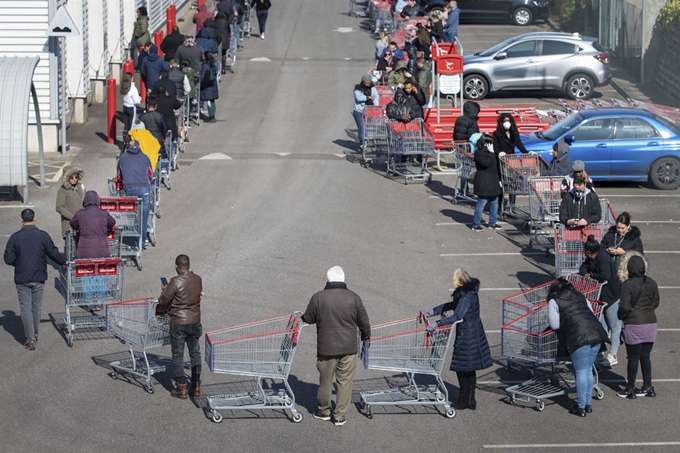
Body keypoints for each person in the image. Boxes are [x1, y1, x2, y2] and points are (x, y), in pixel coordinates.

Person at [301, 266, 371, 426]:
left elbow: (309, 318)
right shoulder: (354, 298)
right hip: (349, 348)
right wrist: (367, 335)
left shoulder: (318, 297)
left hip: (326, 348)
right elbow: (364, 322)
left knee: (325, 381)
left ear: (327, 280)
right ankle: (340, 416)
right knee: (345, 382)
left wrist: (303, 317)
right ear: (344, 279)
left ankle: (323, 411)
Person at [425, 269, 492, 410]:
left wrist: (436, 324)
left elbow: (457, 316)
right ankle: (470, 399)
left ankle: (463, 398)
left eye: (454, 278)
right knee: (469, 367)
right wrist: (435, 310)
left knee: (462, 367)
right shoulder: (468, 293)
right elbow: (453, 304)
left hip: (467, 335)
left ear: (459, 281)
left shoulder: (466, 297)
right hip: (474, 332)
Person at [4, 209, 67, 350]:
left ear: (21, 220)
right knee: (36, 307)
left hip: (22, 277)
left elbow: (8, 259)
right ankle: (35, 334)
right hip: (39, 276)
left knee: (25, 308)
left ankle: (30, 338)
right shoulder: (42, 236)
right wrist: (64, 261)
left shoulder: (14, 237)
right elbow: (53, 253)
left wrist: (19, 263)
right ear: (35, 218)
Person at [547, 278, 609, 416]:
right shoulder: (580, 295)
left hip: (579, 336)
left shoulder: (554, 301)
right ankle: (587, 404)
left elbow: (555, 325)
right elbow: (591, 311)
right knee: (587, 370)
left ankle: (580, 407)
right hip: (596, 333)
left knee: (581, 371)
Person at [159, 254, 203, 399]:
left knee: (178, 354)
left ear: (176, 267)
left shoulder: (175, 281)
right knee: (195, 352)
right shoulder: (198, 279)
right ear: (189, 266)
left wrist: (164, 291)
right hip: (195, 320)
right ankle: (196, 384)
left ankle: (181, 387)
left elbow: (164, 301)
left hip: (178, 322)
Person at [617, 251, 660, 399]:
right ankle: (648, 386)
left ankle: (630, 389)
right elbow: (656, 302)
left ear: (629, 269)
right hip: (651, 324)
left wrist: (623, 316)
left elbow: (624, 306)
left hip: (634, 324)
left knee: (633, 358)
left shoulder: (627, 285)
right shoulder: (652, 282)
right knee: (645, 357)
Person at [580, 235, 621, 368]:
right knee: (602, 325)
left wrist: (591, 276)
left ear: (588, 252)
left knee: (614, 325)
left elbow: (606, 275)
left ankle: (613, 354)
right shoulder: (591, 258)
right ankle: (600, 351)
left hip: (610, 296)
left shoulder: (603, 259)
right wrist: (585, 273)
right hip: (600, 297)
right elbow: (583, 267)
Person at [117, 141, 153, 248]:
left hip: (130, 188)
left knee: (133, 216)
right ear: (139, 146)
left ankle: (136, 238)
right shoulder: (145, 157)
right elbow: (150, 173)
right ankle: (142, 240)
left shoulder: (122, 158)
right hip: (144, 189)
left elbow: (119, 174)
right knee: (143, 215)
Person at [493, 113, 530, 214]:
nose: (506, 123)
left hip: (512, 161)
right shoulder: (497, 133)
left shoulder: (514, 133)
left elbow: (519, 145)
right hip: (501, 162)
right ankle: (500, 207)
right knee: (502, 185)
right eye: (504, 121)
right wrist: (499, 153)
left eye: (508, 121)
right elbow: (495, 148)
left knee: (512, 185)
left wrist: (527, 152)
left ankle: (512, 207)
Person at [70, 191, 116, 259]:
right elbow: (112, 222)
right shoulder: (104, 214)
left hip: (84, 252)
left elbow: (73, 224)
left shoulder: (80, 214)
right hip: (102, 252)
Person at [471, 134, 503, 231]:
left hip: (493, 179)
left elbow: (495, 165)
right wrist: (491, 153)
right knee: (482, 202)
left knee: (494, 201)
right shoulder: (478, 153)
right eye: (490, 143)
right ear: (485, 144)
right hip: (483, 180)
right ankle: (476, 224)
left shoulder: (492, 153)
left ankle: (492, 222)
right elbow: (485, 163)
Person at [454, 101, 480, 196]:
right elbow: (473, 137)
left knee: (464, 169)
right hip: (468, 149)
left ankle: (463, 189)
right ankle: (466, 190)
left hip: (460, 148)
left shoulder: (459, 119)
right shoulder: (472, 122)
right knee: (469, 169)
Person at [55, 165, 85, 238]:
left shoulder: (81, 186)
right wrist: (72, 218)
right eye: (71, 177)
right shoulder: (62, 190)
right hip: (69, 226)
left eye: (76, 177)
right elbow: (59, 207)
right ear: (67, 178)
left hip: (82, 225)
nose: (74, 179)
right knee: (70, 248)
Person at [353, 74, 380, 152]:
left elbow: (376, 97)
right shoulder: (358, 89)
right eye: (366, 83)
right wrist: (367, 97)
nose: (367, 84)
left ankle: (368, 139)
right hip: (359, 111)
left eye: (369, 83)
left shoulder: (373, 88)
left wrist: (376, 105)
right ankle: (362, 143)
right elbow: (359, 98)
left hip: (369, 110)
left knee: (370, 127)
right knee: (362, 127)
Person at [121, 73, 141, 143]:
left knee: (126, 125)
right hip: (131, 108)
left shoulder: (123, 87)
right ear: (131, 79)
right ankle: (129, 141)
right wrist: (140, 98)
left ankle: (124, 140)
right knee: (131, 126)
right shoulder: (133, 88)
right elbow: (137, 101)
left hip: (125, 106)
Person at [200, 51, 219, 123]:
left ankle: (211, 117)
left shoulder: (205, 65)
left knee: (208, 101)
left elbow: (202, 76)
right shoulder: (214, 64)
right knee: (212, 101)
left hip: (207, 85)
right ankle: (213, 116)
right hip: (213, 84)